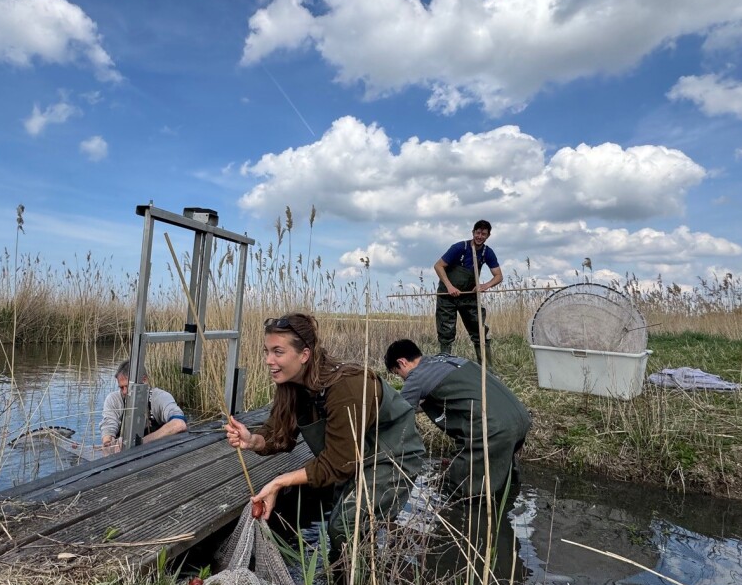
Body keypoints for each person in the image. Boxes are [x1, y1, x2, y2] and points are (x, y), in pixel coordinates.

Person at [224, 313, 426, 554]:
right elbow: (280, 433)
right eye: (266, 351)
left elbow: (339, 463)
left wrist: (279, 482)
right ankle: (355, 568)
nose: (268, 360)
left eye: (278, 352)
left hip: (392, 456)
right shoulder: (292, 385)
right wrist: (253, 440)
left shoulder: (347, 386)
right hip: (356, 456)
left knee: (344, 525)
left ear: (304, 355)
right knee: (343, 520)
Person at [384, 338, 529, 500]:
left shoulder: (415, 378)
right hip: (520, 419)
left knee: (461, 491)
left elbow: (398, 413)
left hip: (493, 429)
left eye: (398, 374)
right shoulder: (448, 359)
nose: (402, 379)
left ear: (402, 362)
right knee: (504, 482)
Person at [433, 219, 502, 358]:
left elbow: (498, 276)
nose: (480, 236)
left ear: (488, 236)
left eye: (484, 234)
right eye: (478, 233)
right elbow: (438, 266)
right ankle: (445, 366)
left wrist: (485, 286)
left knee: (480, 331)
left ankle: (486, 370)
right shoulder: (459, 248)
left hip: (469, 296)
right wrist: (449, 286)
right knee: (446, 332)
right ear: (473, 232)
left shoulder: (487, 253)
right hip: (447, 296)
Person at [100, 358, 187, 452]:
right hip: (124, 454)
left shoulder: (160, 397)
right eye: (121, 387)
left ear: (144, 380)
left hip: (157, 451)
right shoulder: (113, 399)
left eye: (128, 387)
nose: (124, 392)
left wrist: (141, 443)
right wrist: (108, 443)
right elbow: (108, 426)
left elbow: (179, 424)